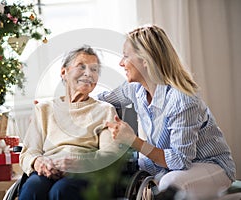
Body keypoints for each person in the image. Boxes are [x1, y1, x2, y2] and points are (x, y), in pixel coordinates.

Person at [98, 24, 236, 199]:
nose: (121, 63)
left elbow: (180, 160)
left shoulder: (182, 100)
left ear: (145, 61)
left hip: (211, 166)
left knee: (170, 184)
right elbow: (102, 99)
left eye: (126, 56)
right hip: (168, 166)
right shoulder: (135, 89)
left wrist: (133, 140)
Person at [19, 45, 124, 200]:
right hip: (48, 169)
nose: (88, 73)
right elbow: (28, 152)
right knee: (33, 188)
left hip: (85, 174)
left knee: (61, 191)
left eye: (94, 70)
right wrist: (38, 162)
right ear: (64, 72)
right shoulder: (44, 109)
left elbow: (109, 155)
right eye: (81, 67)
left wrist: (80, 164)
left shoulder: (105, 110)